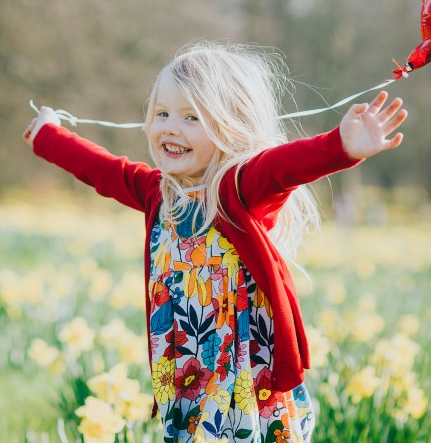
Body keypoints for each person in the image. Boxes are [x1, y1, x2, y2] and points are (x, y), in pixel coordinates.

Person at [23, 42, 407, 443]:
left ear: (229, 126)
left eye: (192, 117)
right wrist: (48, 134)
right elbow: (100, 169)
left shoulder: (236, 189)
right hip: (188, 371)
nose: (171, 127)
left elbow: (283, 168)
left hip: (243, 377)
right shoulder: (158, 193)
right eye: (162, 113)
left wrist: (340, 147)